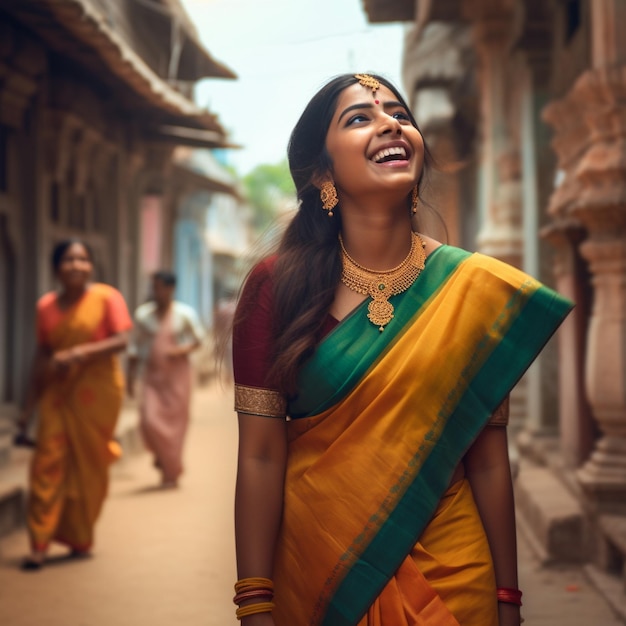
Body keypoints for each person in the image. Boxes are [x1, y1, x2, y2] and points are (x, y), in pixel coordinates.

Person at [231, 74, 573, 626]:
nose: (391, 123)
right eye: (360, 117)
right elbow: (261, 455)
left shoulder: (471, 289)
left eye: (399, 114)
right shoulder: (277, 287)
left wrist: (508, 600)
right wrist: (255, 603)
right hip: (321, 572)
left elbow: (486, 459)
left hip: (452, 572)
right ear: (321, 173)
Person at [15, 239, 132, 570]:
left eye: (82, 259)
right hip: (56, 391)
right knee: (46, 463)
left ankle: (80, 537)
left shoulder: (107, 297)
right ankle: (38, 543)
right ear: (56, 267)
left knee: (88, 465)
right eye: (68, 259)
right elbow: (42, 354)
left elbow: (122, 341)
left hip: (97, 393)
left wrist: (80, 353)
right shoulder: (46, 307)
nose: (76, 265)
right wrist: (27, 408)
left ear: (91, 265)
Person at [127, 270, 205, 488]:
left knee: (176, 423)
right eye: (153, 287)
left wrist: (179, 351)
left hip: (178, 377)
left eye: (159, 286)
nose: (155, 291)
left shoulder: (185, 314)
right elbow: (134, 347)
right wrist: (129, 378)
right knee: (149, 420)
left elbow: (199, 340)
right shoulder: (143, 315)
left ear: (170, 289)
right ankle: (162, 455)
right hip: (152, 376)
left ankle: (170, 469)